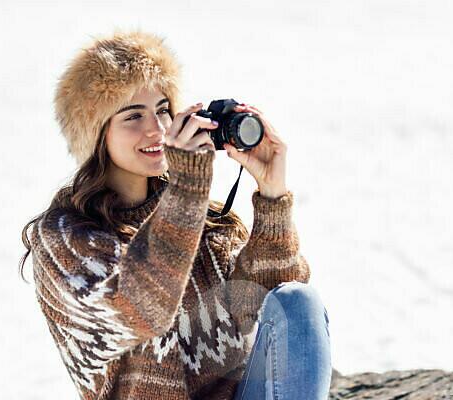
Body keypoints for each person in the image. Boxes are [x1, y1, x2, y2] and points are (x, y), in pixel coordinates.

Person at [19, 28, 332, 400]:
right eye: (133, 116)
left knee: (299, 300)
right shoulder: (64, 238)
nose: (156, 129)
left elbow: (269, 304)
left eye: (163, 110)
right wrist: (187, 191)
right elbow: (139, 312)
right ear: (95, 135)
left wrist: (271, 192)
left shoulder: (198, 215)